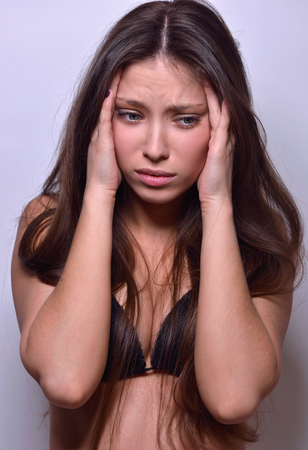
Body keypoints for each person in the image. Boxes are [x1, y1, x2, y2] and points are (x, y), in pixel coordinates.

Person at [11, 0, 303, 449]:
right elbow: (66, 379)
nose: (154, 147)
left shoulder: (258, 244)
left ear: (225, 124)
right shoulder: (51, 226)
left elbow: (233, 397)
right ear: (100, 115)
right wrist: (98, 193)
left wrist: (218, 201)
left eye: (185, 119)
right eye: (131, 114)